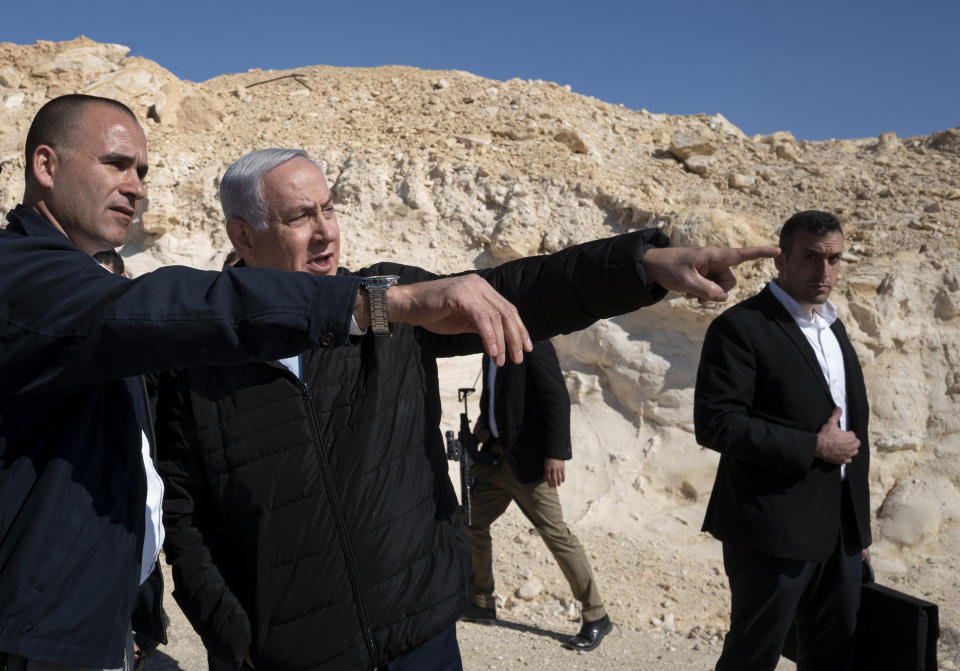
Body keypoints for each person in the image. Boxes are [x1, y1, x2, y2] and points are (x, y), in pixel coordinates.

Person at [154, 148, 780, 671]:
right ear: (243, 235)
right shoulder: (196, 359)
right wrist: (235, 638)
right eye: (299, 217)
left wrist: (639, 265)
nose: (327, 232)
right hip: (290, 658)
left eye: (329, 208)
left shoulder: (392, 304)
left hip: (422, 640)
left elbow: (517, 291)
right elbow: (185, 517)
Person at [0, 94, 547, 671]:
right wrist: (233, 634)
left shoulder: (82, 286)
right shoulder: (20, 275)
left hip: (89, 630)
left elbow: (128, 477)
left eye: (143, 170)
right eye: (116, 164)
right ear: (46, 165)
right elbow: (174, 312)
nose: (136, 186)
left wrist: (637, 265)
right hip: (41, 639)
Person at [694, 210, 872, 671]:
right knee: (753, 656)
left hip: (838, 530)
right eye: (812, 257)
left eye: (834, 259)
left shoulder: (833, 327)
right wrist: (811, 447)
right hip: (770, 528)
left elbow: (857, 430)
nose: (825, 271)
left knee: (835, 652)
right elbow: (717, 423)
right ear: (781, 260)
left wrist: (859, 529)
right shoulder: (741, 328)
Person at [462, 339, 611, 651]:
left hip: (527, 462)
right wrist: (484, 424)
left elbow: (556, 397)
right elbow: (495, 397)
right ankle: (482, 601)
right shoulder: (489, 345)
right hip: (494, 458)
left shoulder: (534, 341)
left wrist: (555, 453)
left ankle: (596, 616)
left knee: (556, 535)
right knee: (471, 521)